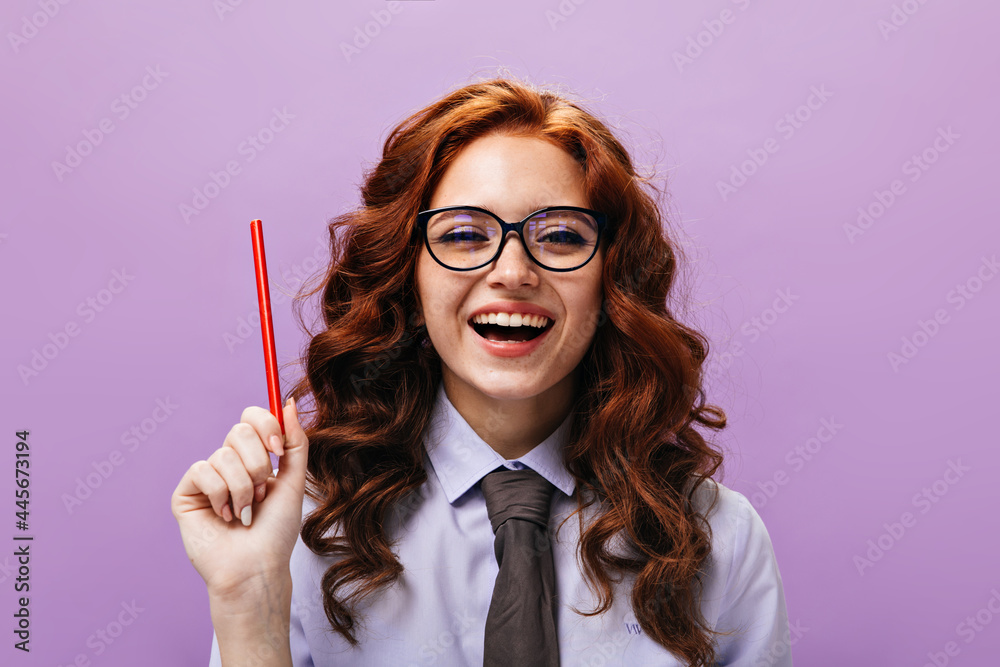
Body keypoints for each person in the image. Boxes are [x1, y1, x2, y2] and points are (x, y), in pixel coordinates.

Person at [171, 75, 793, 667]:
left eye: (561, 237)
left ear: (613, 282)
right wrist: (247, 600)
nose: (513, 272)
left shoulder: (720, 538)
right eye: (466, 234)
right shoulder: (303, 534)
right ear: (407, 277)